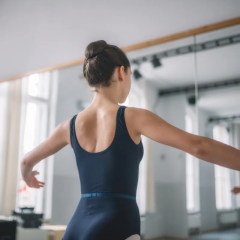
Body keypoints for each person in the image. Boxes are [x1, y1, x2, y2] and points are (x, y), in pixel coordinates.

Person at [20, 40, 240, 240]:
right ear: (122, 73)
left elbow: (26, 162)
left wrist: (28, 178)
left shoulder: (67, 127)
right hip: (117, 223)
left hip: (77, 227)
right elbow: (199, 147)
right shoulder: (132, 117)